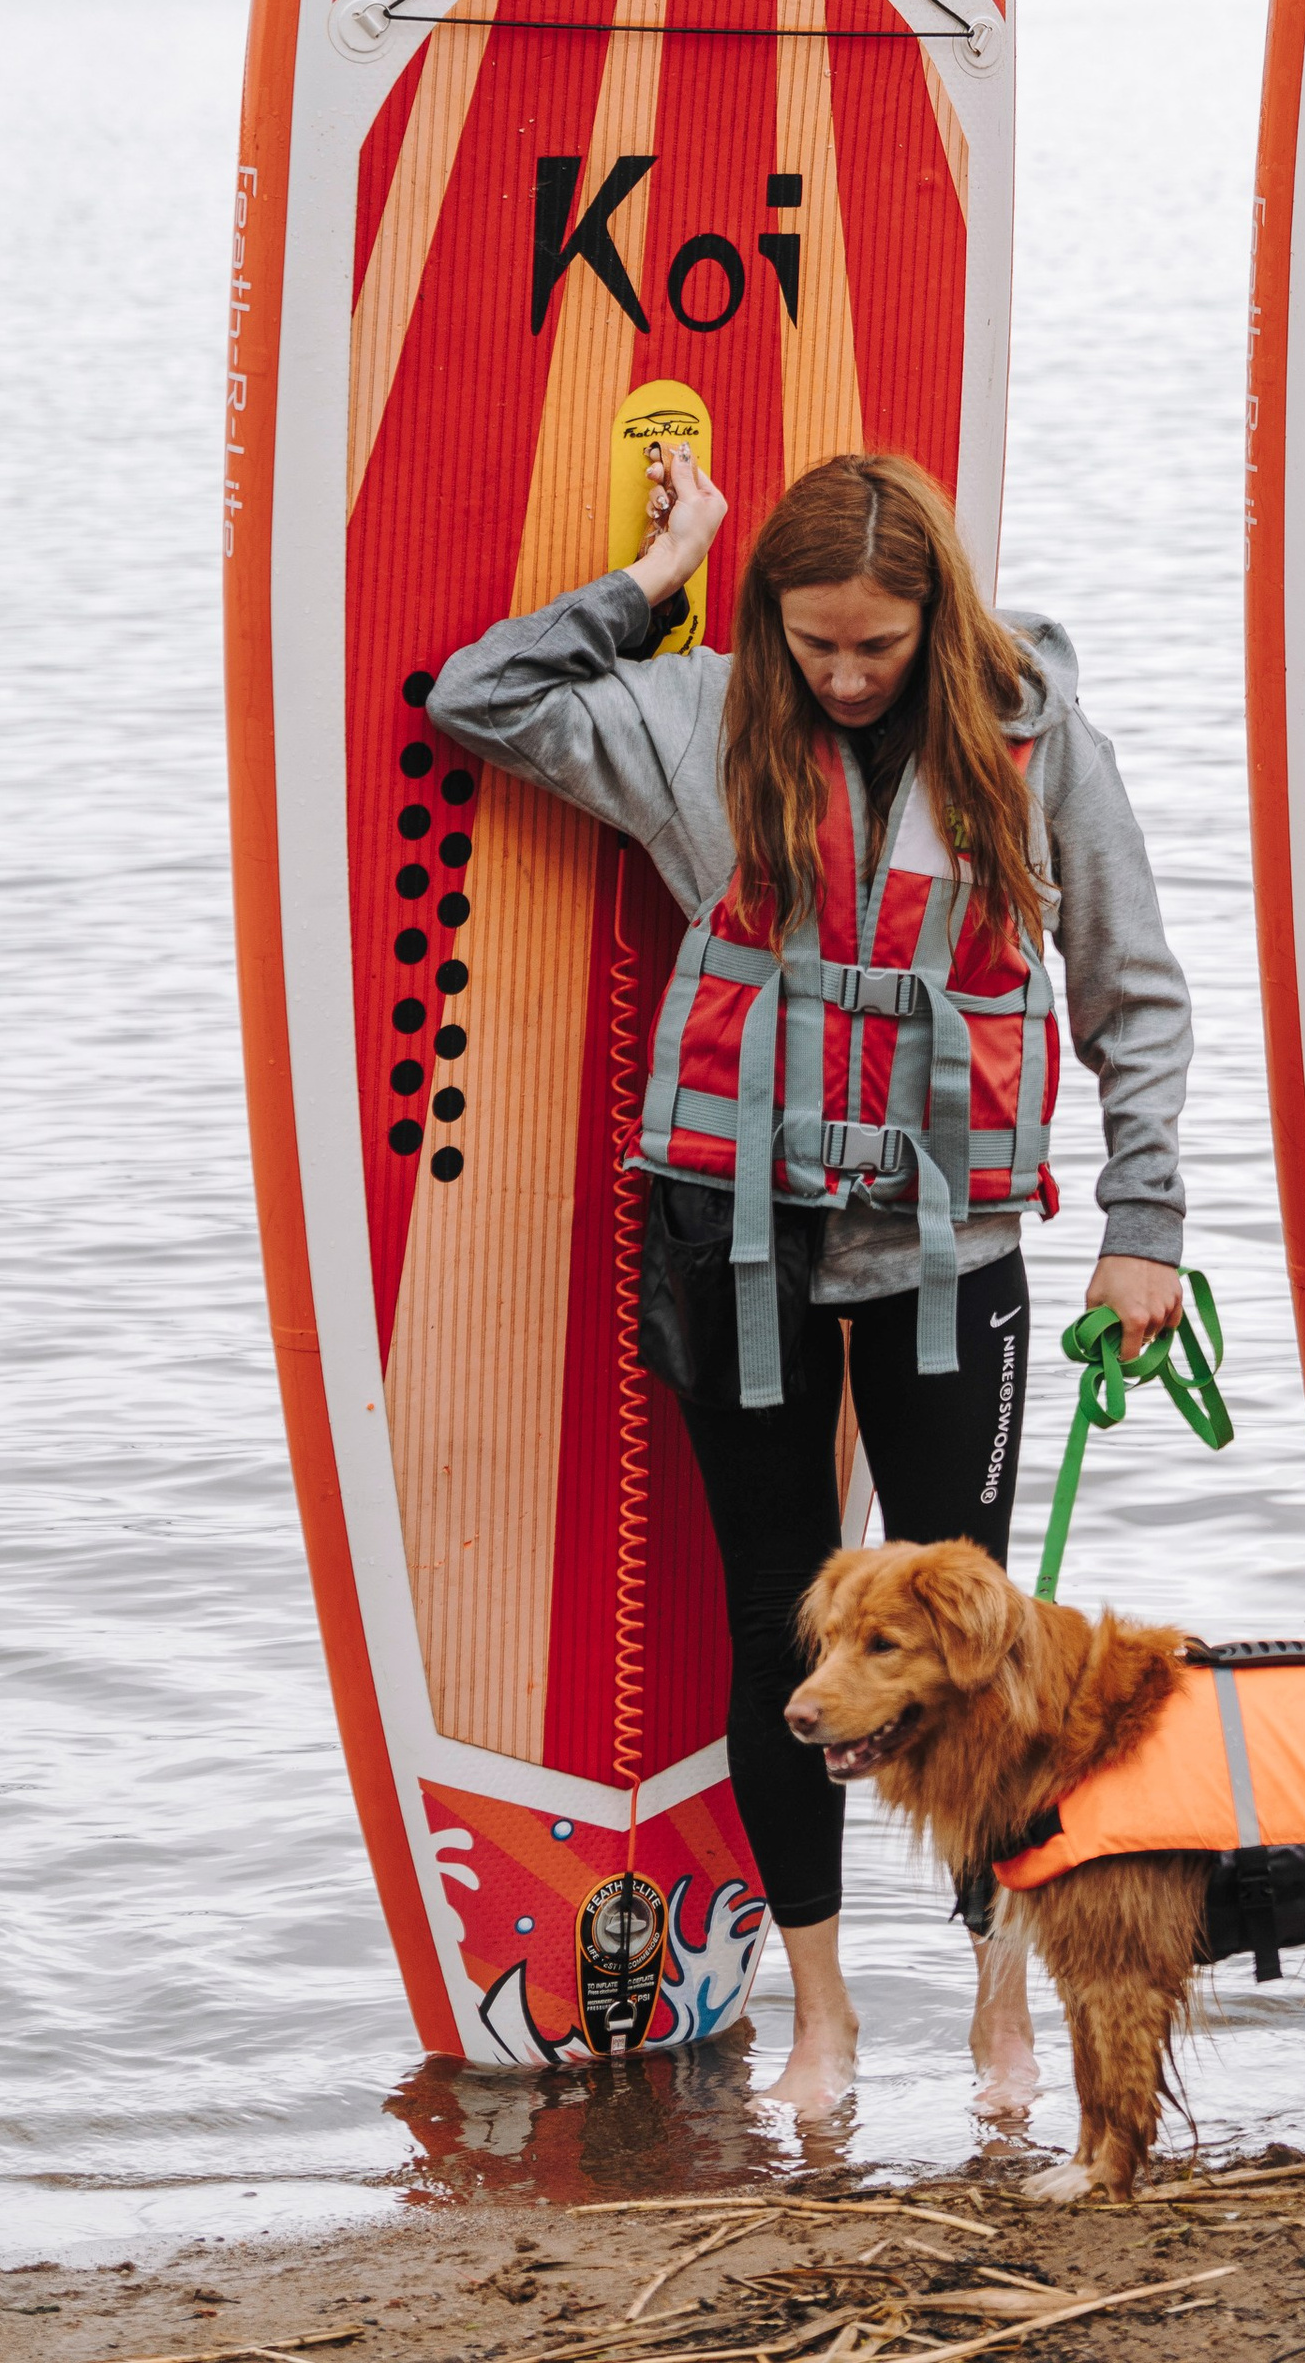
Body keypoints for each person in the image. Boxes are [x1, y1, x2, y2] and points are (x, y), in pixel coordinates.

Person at [428, 445, 1191, 2118]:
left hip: (949, 1251)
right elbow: (479, 696)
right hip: (739, 1239)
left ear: (940, 618)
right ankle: (822, 2014)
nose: (846, 677)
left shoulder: (1034, 739)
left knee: (980, 1634)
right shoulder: (700, 717)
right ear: (772, 621)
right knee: (783, 1610)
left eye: (880, 646)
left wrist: (1145, 1217)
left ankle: (1001, 1998)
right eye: (816, 642)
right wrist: (665, 570)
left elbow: (1133, 984)